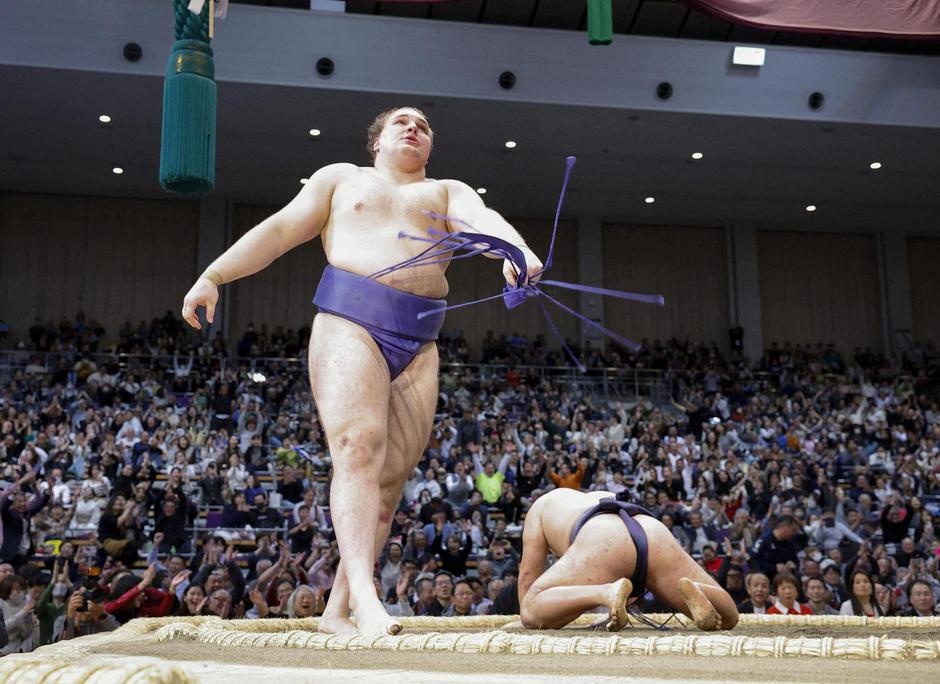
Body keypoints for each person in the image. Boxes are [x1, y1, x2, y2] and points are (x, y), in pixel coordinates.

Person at [181, 106, 543, 637]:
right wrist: (213, 275)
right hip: (350, 322)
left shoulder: (447, 192)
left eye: (423, 125)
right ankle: (369, 601)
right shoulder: (341, 178)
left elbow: (483, 221)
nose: (414, 128)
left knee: (390, 482)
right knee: (357, 448)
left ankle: (338, 609)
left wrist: (518, 251)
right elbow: (279, 231)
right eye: (402, 122)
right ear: (377, 140)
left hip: (420, 340)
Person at [516, 489, 738, 631]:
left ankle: (606, 592)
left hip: (603, 537)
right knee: (727, 620)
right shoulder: (598, 495)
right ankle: (698, 588)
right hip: (652, 530)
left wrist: (525, 619)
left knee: (531, 611)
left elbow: (527, 575)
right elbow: (629, 574)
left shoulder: (541, 506)